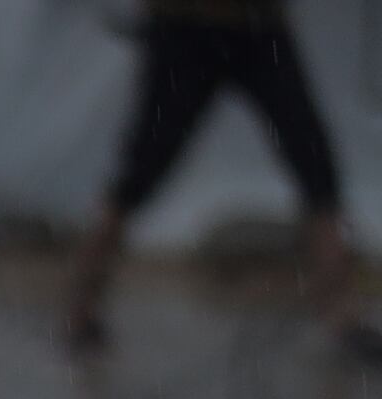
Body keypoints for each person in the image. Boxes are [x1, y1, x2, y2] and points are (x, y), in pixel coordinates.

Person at [65, 0, 352, 353]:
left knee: (315, 163)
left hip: (257, 25)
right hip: (189, 25)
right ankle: (82, 305)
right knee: (139, 171)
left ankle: (341, 316)